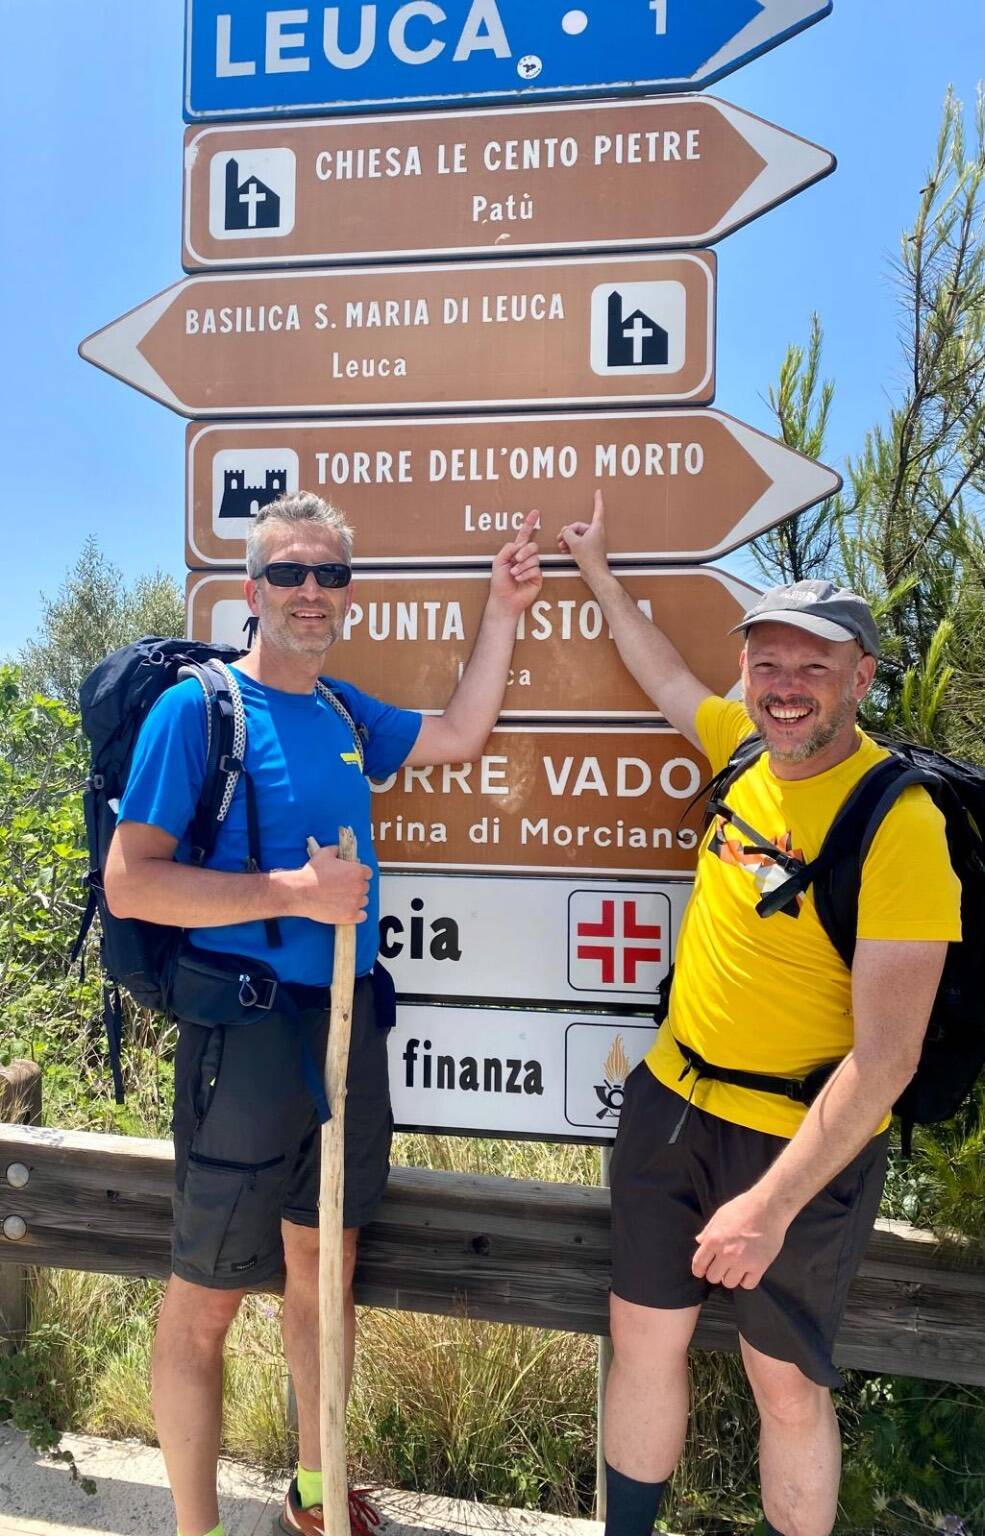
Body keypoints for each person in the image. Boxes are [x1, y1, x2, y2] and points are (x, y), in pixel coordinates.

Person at [103, 491, 542, 1536]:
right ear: (251, 591)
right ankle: (194, 1525)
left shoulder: (346, 714)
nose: (311, 591)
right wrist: (288, 896)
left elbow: (461, 731)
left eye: (329, 575)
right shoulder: (199, 712)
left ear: (347, 592)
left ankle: (313, 1488)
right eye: (290, 574)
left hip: (348, 1027)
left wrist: (505, 608)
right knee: (204, 1294)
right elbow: (132, 882)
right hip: (245, 1033)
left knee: (324, 1264)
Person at [558, 493, 961, 1536]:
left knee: (782, 1384)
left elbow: (885, 1062)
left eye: (813, 668)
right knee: (640, 1338)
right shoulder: (740, 746)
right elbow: (659, 674)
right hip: (673, 1103)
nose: (784, 690)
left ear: (862, 679)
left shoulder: (898, 824)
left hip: (804, 1140)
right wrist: (596, 569)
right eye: (767, 665)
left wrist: (772, 1207)